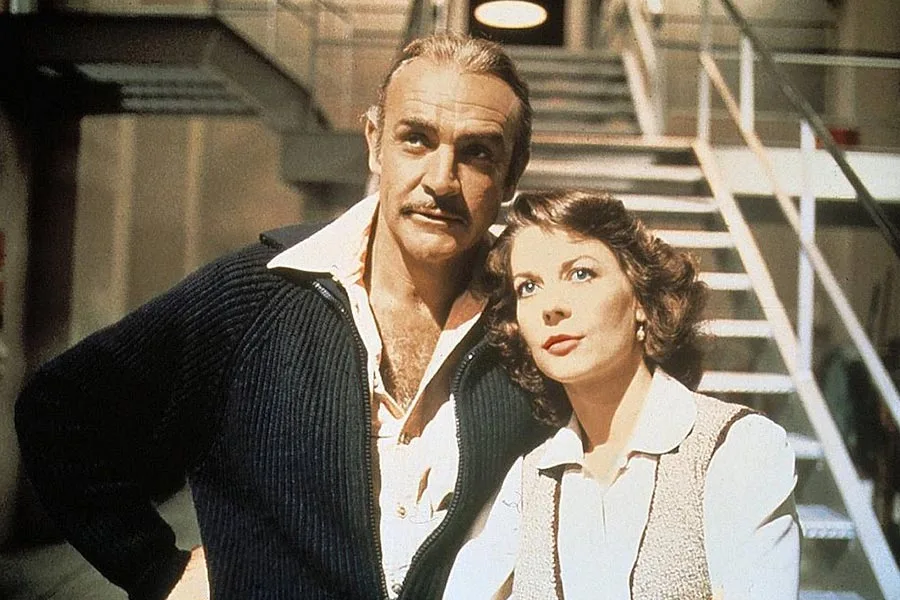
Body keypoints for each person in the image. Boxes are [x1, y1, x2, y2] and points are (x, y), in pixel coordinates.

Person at [14, 34, 551, 600]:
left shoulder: (537, 320)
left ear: (513, 173)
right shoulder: (255, 296)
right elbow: (58, 411)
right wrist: (155, 567)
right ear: (375, 144)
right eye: (416, 139)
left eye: (478, 153)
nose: (441, 180)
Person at [444, 189, 800, 599]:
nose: (550, 306)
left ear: (641, 301)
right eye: (528, 286)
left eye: (580, 274)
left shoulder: (739, 448)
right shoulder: (530, 480)